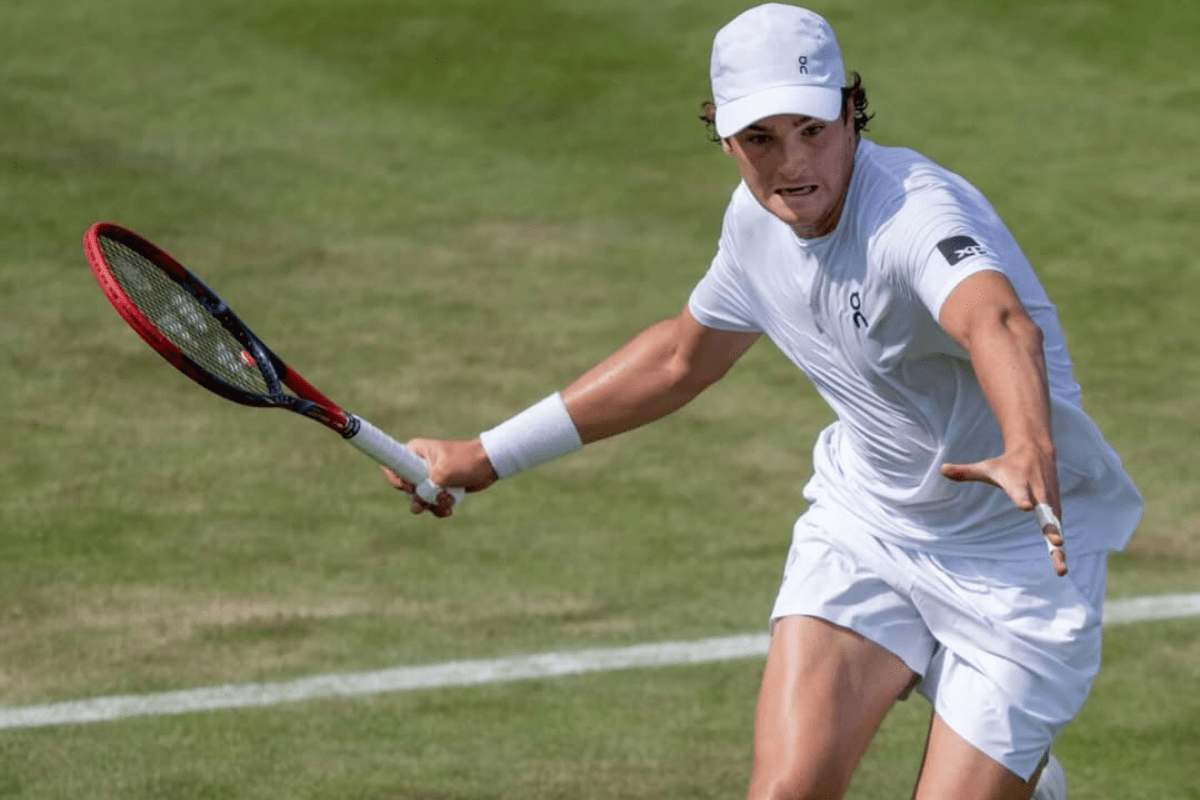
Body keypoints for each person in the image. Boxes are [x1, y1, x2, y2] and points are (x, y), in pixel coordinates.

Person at [385, 5, 1143, 799]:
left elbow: (995, 320)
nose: (793, 164)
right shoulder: (754, 226)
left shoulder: (913, 213)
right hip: (872, 528)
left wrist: (1028, 444)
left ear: (851, 114)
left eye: (812, 129)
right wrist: (485, 455)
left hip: (1018, 564)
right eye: (761, 140)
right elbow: (681, 359)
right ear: (722, 137)